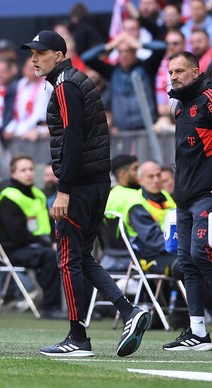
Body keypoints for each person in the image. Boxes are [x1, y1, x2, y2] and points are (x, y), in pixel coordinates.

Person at [21, 30, 150, 357]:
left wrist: (63, 189)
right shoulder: (76, 81)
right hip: (95, 182)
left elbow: (74, 137)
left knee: (67, 259)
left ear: (59, 56)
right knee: (81, 256)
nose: (34, 58)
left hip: (77, 187)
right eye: (32, 53)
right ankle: (129, 310)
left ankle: (77, 338)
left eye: (41, 52)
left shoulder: (65, 85)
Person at [163, 51, 212, 350]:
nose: (174, 76)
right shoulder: (181, 107)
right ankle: (198, 333)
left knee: (202, 255)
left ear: (196, 73)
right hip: (184, 199)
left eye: (180, 71)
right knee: (187, 263)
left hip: (208, 195)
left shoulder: (208, 100)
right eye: (170, 72)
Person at [0, 155, 65, 319]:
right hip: (14, 249)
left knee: (69, 251)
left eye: (30, 169)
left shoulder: (38, 194)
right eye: (23, 170)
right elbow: (17, 234)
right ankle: (51, 308)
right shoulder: (8, 197)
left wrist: (54, 241)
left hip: (38, 245)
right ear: (13, 174)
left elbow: (48, 224)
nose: (29, 173)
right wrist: (47, 244)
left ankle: (84, 308)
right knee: (50, 256)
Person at [123, 161, 179, 276]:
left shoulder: (165, 195)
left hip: (172, 249)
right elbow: (155, 241)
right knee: (188, 265)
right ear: (140, 180)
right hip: (150, 257)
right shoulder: (137, 205)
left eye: (158, 175)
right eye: (150, 176)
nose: (156, 180)